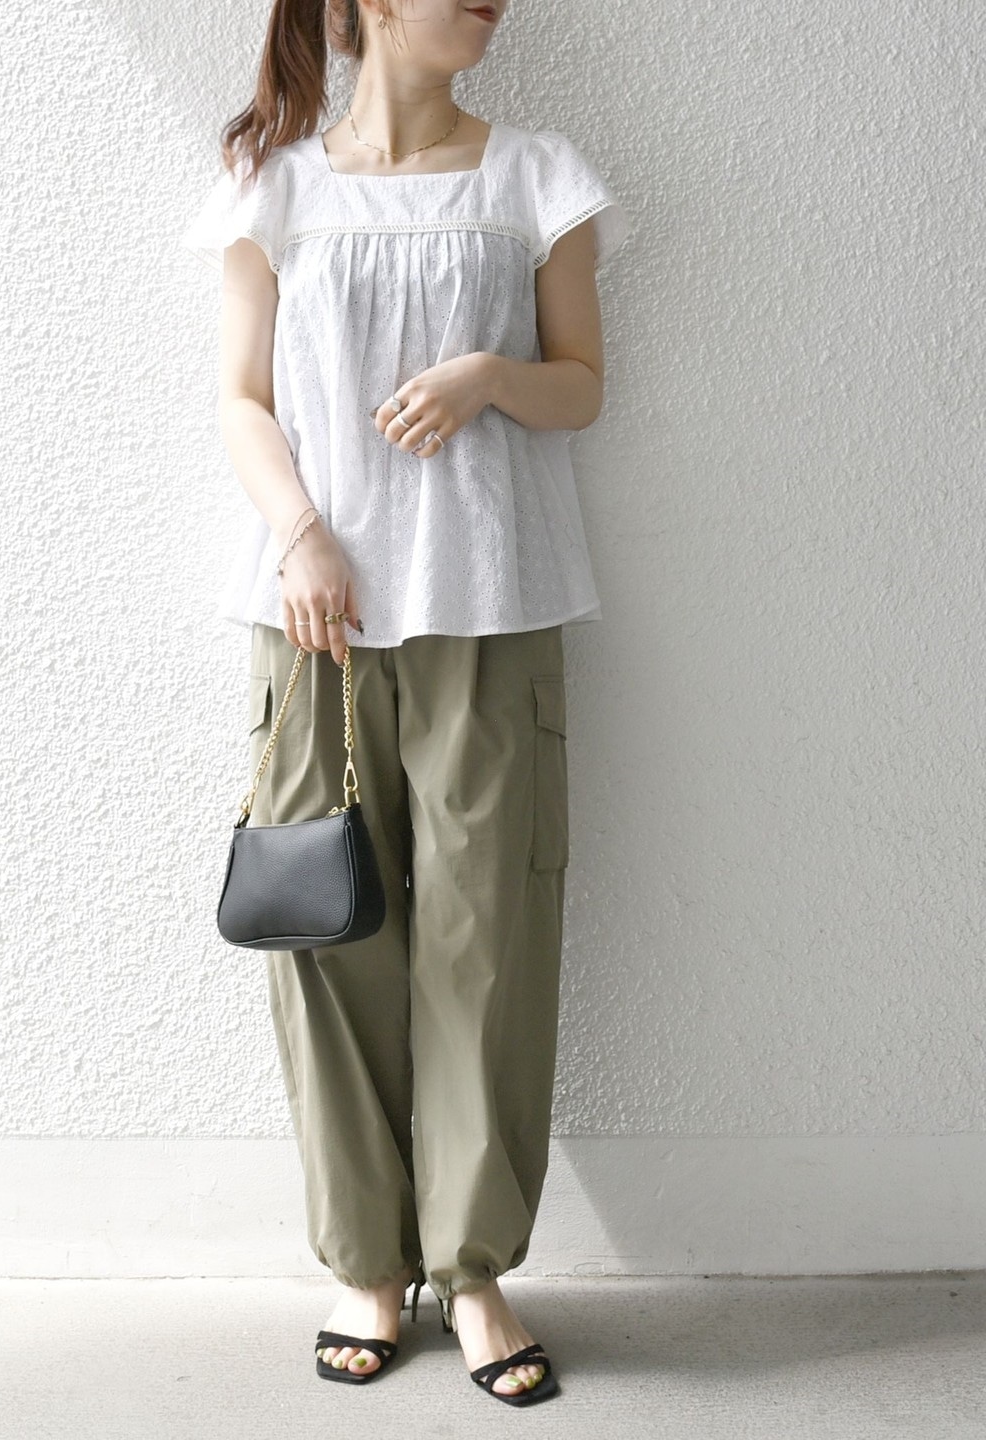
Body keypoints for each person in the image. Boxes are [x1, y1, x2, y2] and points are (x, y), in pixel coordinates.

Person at [183, 0, 633, 1409]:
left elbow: (582, 389)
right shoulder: (275, 188)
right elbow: (240, 400)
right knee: (328, 937)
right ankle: (367, 1263)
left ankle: (475, 1268)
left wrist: (493, 377)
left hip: (492, 606)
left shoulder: (539, 178)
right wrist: (300, 532)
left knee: (490, 937)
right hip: (316, 620)